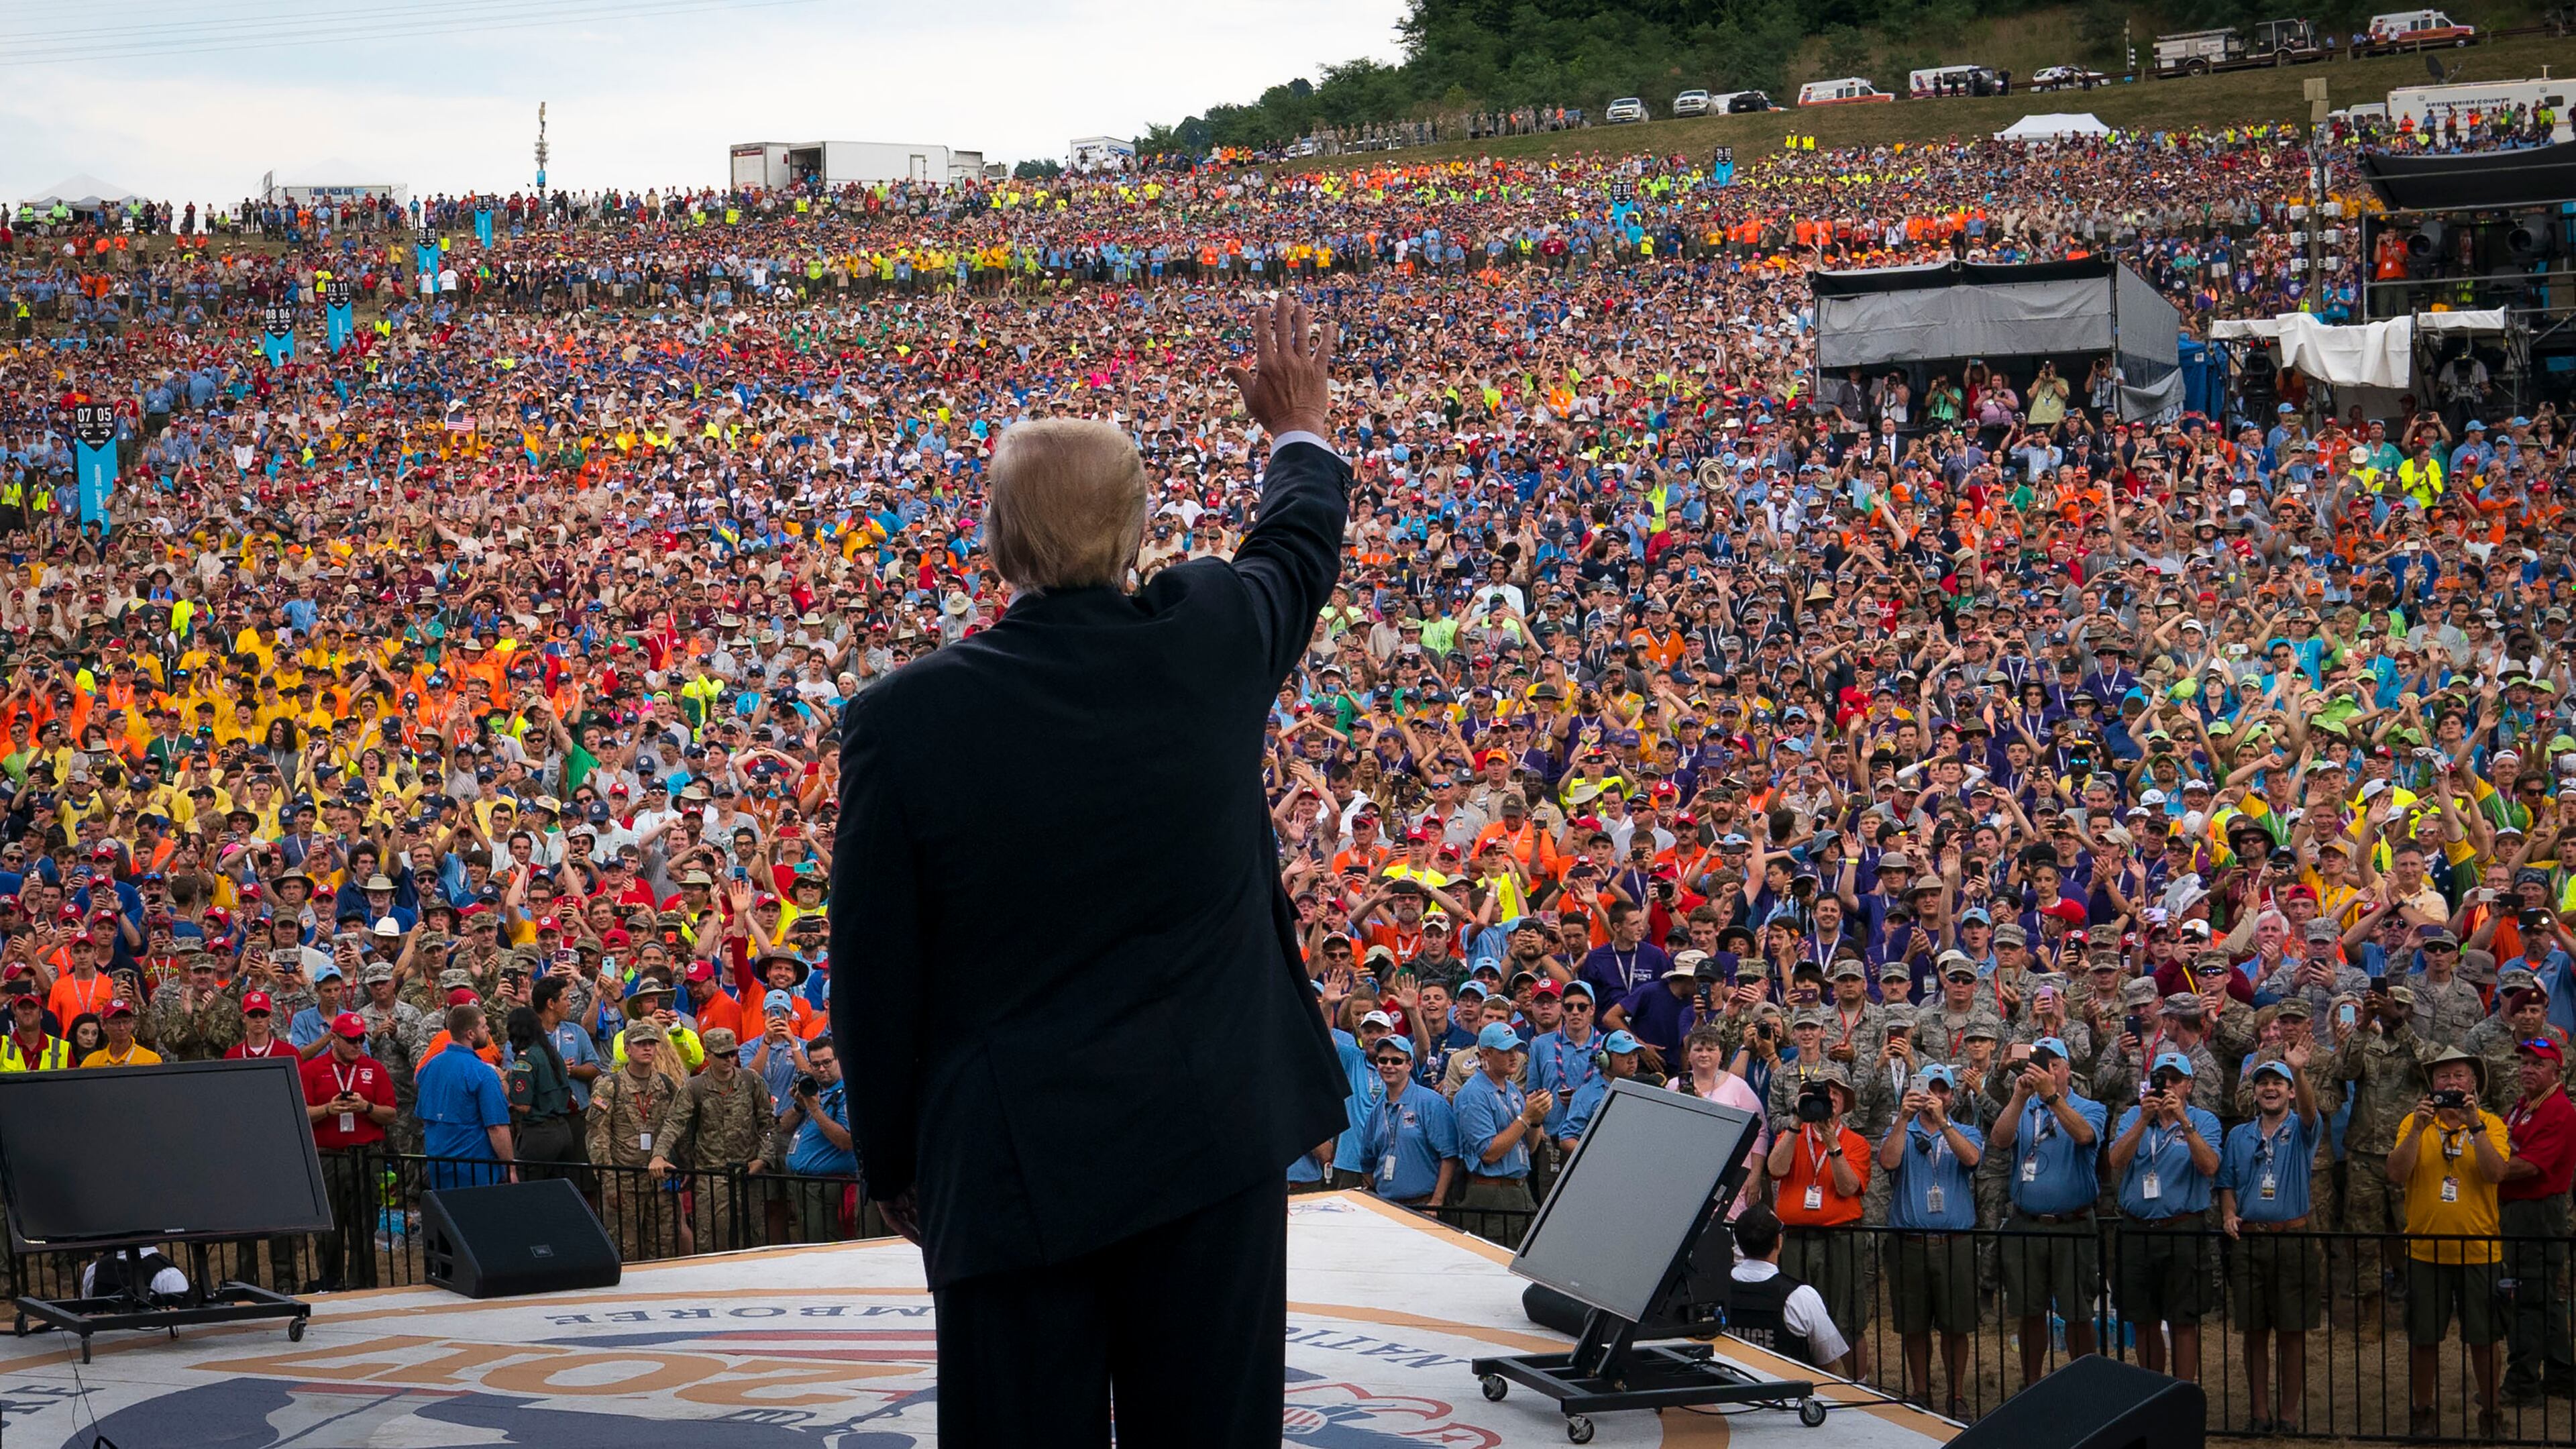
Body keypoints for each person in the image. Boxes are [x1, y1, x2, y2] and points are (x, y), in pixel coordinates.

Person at [828, 293, 1348, 1448]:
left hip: (1007, 1165)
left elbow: (871, 972)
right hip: (1209, 1141)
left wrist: (899, 1163)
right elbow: (1297, 545)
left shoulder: (903, 720)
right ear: (1137, 533)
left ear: (997, 537)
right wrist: (1297, 426)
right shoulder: (1208, 637)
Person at [2387, 1045, 2513, 1438]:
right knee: (2423, 1336)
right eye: (2444, 1077)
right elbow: (2395, 1173)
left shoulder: (2491, 1123)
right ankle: (2423, 1412)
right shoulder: (2414, 1122)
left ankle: (2491, 1414)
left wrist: (2474, 1125)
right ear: (2432, 1085)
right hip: (2425, 1248)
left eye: (2460, 1076)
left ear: (2473, 1082)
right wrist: (2418, 1130)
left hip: (2479, 1249)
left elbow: (2496, 1174)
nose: (2452, 1084)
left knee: (2485, 1337)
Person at [1991, 1035, 2106, 1387]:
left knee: (2077, 1313)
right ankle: (2032, 1385)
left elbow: (2085, 1136)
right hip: (2027, 1223)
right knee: (2029, 1311)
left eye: (2053, 1064)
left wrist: (2051, 1096)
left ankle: (2085, 1386)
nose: (2046, 1069)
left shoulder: (2090, 1107)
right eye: (2040, 1063)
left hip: (2072, 1224)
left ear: (2067, 1069)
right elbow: (1999, 1140)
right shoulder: (2024, 1107)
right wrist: (2018, 1097)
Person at [2218, 1052, 2325, 1434]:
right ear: (2255, 1092)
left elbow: (2313, 1113)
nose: (2270, 1089)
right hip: (2250, 1243)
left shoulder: (2301, 1128)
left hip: (2292, 1238)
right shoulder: (2238, 1136)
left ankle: (2289, 1415)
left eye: (2278, 1083)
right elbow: (2227, 1183)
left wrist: (2298, 1068)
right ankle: (2259, 1413)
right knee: (2254, 1331)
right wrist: (2229, 1213)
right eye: (2263, 1083)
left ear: (2291, 1093)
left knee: (2292, 1331)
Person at [2108, 1051, 2223, 1383]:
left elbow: (2210, 1166)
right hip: (2138, 1228)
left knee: (2183, 1319)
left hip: (2182, 1228)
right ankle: (2150, 1391)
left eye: (2175, 1080)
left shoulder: (2204, 1121)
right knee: (2142, 1319)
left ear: (2189, 1085)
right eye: (2161, 1079)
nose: (2167, 1086)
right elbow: (2116, 1160)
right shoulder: (2133, 1116)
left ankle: (2183, 1392)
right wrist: (2144, 1120)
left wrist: (2184, 1123)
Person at [1880, 1061, 1982, 1417]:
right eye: (1929, 1089)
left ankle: (1956, 1395)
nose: (1935, 1096)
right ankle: (1920, 1391)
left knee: (1956, 1326)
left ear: (1953, 1096)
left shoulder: (1965, 1130)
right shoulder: (1901, 1129)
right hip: (1909, 1242)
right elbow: (1888, 1163)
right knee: (1914, 1324)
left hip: (1954, 1243)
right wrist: (1903, 1119)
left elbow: (1972, 1159)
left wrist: (1943, 1124)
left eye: (1943, 1090)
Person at [1764, 1060, 1869, 1378]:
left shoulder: (1856, 1143)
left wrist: (1833, 1145)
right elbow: (1776, 1169)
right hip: (1796, 1240)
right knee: (1797, 1316)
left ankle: (1858, 1385)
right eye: (1821, 1092)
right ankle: (1804, 1381)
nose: (1829, 1097)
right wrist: (1797, 1124)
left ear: (1844, 1103)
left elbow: (1849, 1187)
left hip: (1840, 1239)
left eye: (1835, 1093)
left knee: (1847, 1317)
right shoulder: (1791, 1135)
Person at [2498, 1036, 2575, 1407]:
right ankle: (2561, 1373)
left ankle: (2522, 1382)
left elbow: (2529, 1165)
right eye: (2525, 1062)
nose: (2528, 1069)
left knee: (2527, 1295)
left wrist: (2486, 1170)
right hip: (2521, 1208)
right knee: (2547, 1295)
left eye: (2537, 1064)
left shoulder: (2558, 1110)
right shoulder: (2523, 1106)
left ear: (2556, 1072)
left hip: (2537, 1209)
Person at [654, 1026, 777, 1253]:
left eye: (733, 1053)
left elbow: (768, 1124)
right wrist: (659, 1155)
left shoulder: (751, 1081)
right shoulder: (695, 1087)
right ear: (708, 1054)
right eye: (722, 1055)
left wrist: (763, 1159)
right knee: (711, 1243)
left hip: (748, 1174)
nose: (729, 1060)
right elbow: (674, 1123)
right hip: (711, 1177)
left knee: (753, 1240)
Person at [299, 1010, 392, 1291]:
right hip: (329, 1157)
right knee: (329, 1229)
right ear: (334, 1040)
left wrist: (367, 1108)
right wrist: (328, 1109)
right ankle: (330, 1283)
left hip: (365, 1157)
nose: (357, 1045)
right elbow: (300, 1114)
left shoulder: (375, 1069)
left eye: (361, 1039)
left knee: (364, 1227)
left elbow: (391, 1114)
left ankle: (362, 1285)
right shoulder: (312, 1070)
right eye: (351, 1040)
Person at [588, 1020, 680, 1260]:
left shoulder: (666, 1084)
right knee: (624, 1250)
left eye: (652, 1043)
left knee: (663, 1248)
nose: (647, 1049)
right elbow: (598, 1135)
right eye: (641, 1044)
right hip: (624, 1179)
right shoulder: (610, 1085)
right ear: (628, 1049)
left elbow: (677, 1126)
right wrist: (609, 1182)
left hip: (658, 1179)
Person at [1724, 1204, 1851, 1371]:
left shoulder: (1716, 1290)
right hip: (1787, 1393)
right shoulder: (1801, 1297)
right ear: (1778, 1241)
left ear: (1739, 1243)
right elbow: (1828, 1363)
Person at [1454, 1021, 1550, 1238]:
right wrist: (1526, 1118)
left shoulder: (1513, 1089)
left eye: (1515, 1049)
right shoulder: (1473, 1094)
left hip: (1519, 1188)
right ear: (1486, 1054)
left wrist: (1536, 1120)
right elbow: (1489, 1153)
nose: (1514, 1056)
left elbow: (1531, 1147)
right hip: (1491, 1192)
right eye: (1505, 1051)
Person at [415, 1003, 515, 1190]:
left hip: (438, 1165)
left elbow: (425, 1117)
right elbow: (497, 1128)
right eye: (484, 1026)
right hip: (475, 1168)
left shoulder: (428, 1068)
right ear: (471, 1034)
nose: (488, 1030)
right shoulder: (482, 1073)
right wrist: (510, 1168)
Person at [1358, 1032, 1458, 1207]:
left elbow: (1450, 1156)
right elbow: (1367, 1161)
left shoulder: (1431, 1103)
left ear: (1409, 1065)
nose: (1389, 1066)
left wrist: (1436, 1201)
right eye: (1383, 1060)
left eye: (1396, 1061)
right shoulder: (1377, 1109)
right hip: (1387, 1206)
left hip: (1424, 1204)